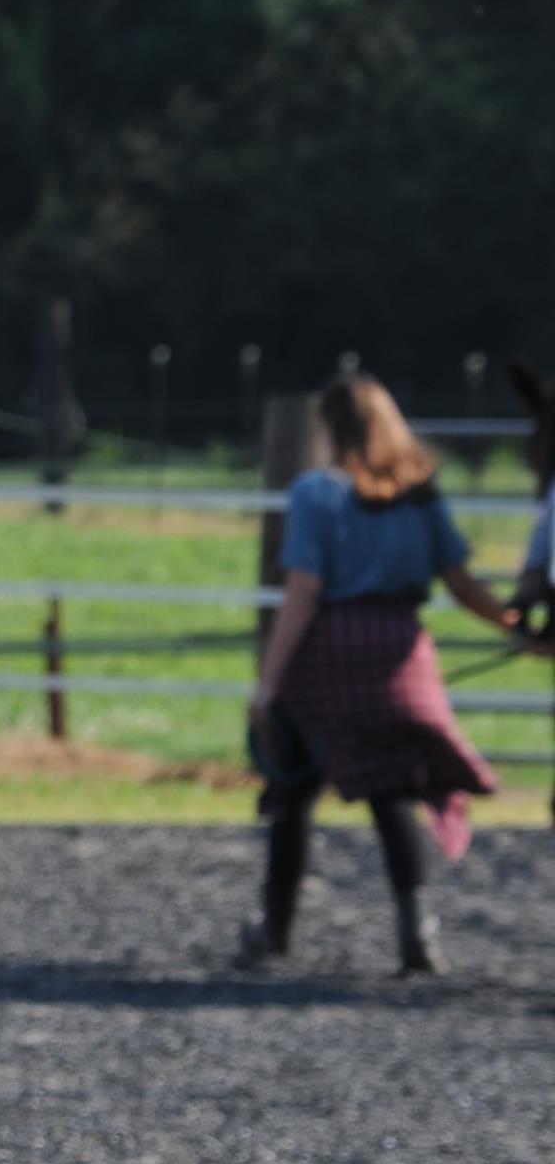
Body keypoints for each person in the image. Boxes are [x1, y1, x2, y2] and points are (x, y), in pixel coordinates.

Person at [243, 373, 523, 974]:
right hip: (400, 650)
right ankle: (417, 932)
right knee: (391, 789)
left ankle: (274, 931)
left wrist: (269, 683)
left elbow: (304, 590)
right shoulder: (420, 492)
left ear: (330, 426)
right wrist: (514, 625)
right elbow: (460, 581)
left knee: (294, 787)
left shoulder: (316, 493)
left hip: (330, 650)